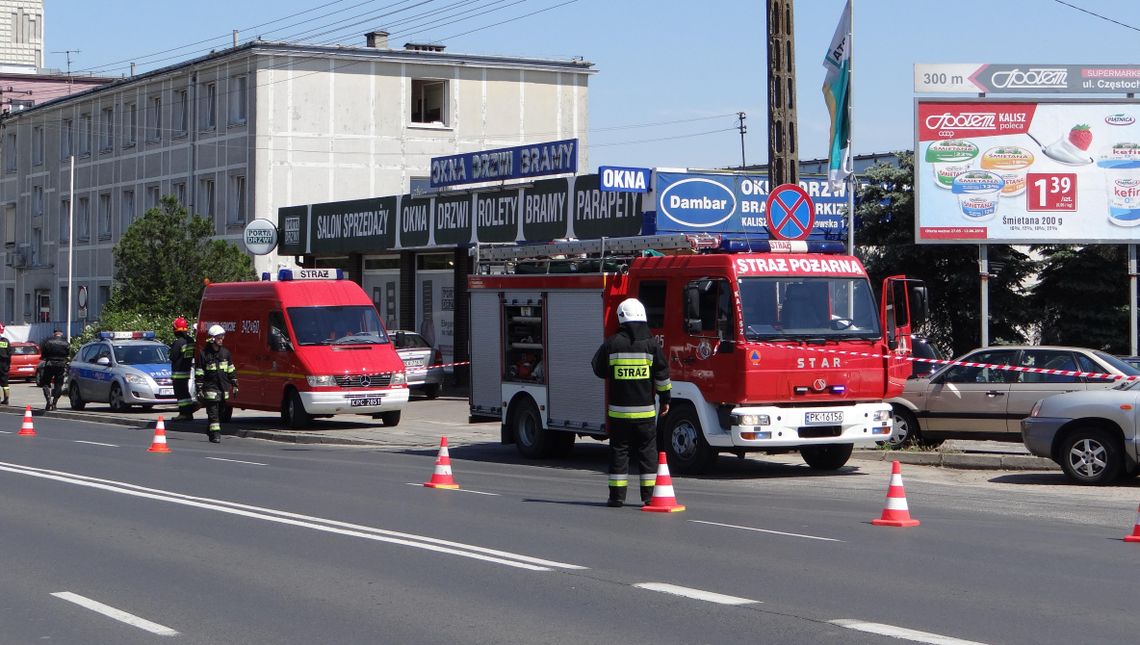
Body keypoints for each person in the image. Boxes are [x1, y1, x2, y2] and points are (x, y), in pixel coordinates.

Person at [591, 298, 671, 507]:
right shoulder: (651, 344)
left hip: (619, 414)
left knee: (619, 452)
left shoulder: (612, 343)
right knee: (647, 453)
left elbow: (598, 369)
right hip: (645, 414)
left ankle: (617, 498)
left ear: (621, 317)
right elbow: (662, 375)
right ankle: (648, 497)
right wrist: (665, 399)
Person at [195, 324, 237, 443]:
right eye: (219, 337)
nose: (221, 340)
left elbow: (231, 369)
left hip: (223, 387)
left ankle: (210, 429)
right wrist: (199, 387)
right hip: (210, 387)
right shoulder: (204, 355)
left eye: (222, 337)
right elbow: (199, 372)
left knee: (220, 411)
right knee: (213, 412)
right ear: (212, 339)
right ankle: (215, 434)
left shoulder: (225, 353)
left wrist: (234, 383)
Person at [170, 316, 197, 421]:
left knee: (181, 395)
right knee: (185, 393)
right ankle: (188, 412)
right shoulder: (190, 341)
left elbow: (173, 357)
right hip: (186, 371)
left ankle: (183, 413)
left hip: (178, 373)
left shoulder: (178, 343)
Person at [39, 329, 70, 411]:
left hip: (50, 364)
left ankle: (48, 400)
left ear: (54, 334)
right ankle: (54, 403)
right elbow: (67, 354)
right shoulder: (66, 343)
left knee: (45, 383)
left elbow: (43, 354)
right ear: (61, 334)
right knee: (58, 384)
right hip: (61, 365)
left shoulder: (48, 342)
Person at [0, 323, 10, 405]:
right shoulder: (5, 341)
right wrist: (8, 365)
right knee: (5, 382)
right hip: (4, 364)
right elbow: (10, 354)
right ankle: (6, 399)